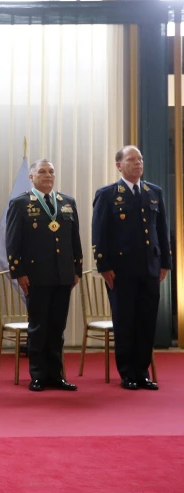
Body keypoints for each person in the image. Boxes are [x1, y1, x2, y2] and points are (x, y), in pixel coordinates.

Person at [92, 145, 171, 391]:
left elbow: (162, 231)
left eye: (140, 159)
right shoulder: (107, 194)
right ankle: (127, 373)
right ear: (119, 165)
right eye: (131, 159)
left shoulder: (153, 192)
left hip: (150, 269)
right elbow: (99, 232)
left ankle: (142, 372)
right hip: (121, 271)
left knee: (146, 322)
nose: (138, 163)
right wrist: (103, 265)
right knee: (125, 322)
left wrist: (166, 263)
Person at [6, 159, 81, 392]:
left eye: (51, 172)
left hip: (62, 276)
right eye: (42, 171)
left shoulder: (67, 202)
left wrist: (76, 269)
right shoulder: (20, 204)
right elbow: (13, 241)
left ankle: (56, 374)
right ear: (31, 177)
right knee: (38, 327)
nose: (48, 175)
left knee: (57, 327)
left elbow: (74, 240)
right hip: (35, 277)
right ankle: (38, 374)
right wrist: (18, 272)